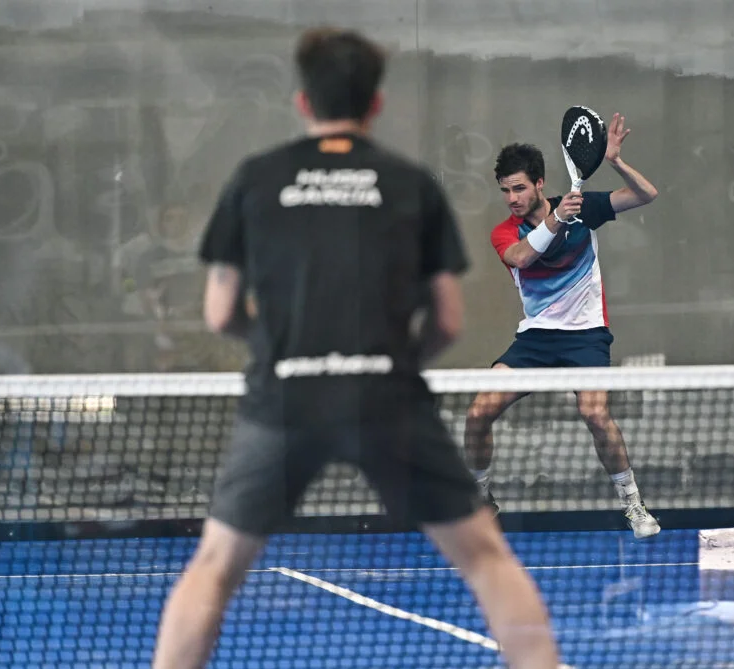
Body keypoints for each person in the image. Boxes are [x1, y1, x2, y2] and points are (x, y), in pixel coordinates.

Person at [151, 28, 560, 669]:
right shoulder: (411, 184)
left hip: (283, 400)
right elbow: (447, 320)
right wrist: (389, 363)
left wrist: (284, 349)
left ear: (302, 101)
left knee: (214, 566)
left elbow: (219, 312)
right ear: (376, 104)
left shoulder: (255, 180)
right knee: (486, 559)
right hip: (386, 397)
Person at [464, 122, 662, 539]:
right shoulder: (506, 231)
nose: (512, 198)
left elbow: (646, 194)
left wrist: (616, 161)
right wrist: (556, 218)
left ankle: (633, 503)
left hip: (586, 335)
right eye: (505, 190)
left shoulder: (582, 209)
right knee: (478, 413)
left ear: (539, 183)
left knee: (595, 413)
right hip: (535, 339)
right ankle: (480, 500)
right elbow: (521, 258)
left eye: (519, 188)